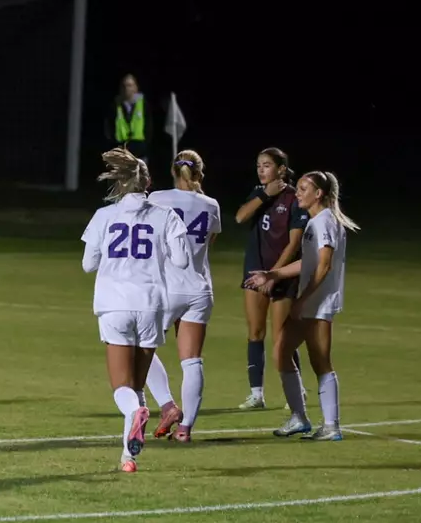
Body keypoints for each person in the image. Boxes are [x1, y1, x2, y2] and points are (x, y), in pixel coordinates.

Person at [80, 147, 191, 473]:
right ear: (148, 183)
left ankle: (135, 423)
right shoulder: (165, 215)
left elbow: (88, 264)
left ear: (120, 183)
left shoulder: (104, 215)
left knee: (122, 389)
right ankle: (128, 458)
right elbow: (182, 260)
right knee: (137, 388)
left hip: (115, 304)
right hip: (151, 305)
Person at [247, 171, 357, 441]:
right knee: (282, 353)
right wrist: (274, 274)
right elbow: (307, 263)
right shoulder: (314, 222)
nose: (298, 192)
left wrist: (303, 299)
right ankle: (299, 418)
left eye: (304, 188)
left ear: (318, 193)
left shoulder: (326, 222)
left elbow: (324, 265)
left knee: (320, 361)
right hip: (309, 302)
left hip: (319, 304)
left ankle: (331, 426)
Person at [145, 150, 221, 441]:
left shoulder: (157, 199)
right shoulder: (211, 204)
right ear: (200, 173)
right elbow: (208, 244)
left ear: (173, 172)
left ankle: (167, 406)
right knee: (192, 361)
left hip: (166, 287)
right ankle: (185, 429)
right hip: (199, 289)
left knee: (141, 347)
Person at [234, 147, 308, 410]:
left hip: (282, 275)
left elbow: (294, 243)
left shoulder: (295, 199)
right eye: (258, 165)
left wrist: (273, 275)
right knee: (255, 332)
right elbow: (240, 216)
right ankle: (256, 394)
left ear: (281, 169)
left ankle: (296, 391)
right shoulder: (260, 194)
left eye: (266, 165)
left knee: (282, 337)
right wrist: (265, 194)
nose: (261, 170)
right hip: (255, 272)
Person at [110, 74, 151, 171]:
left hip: (139, 151)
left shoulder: (143, 104)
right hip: (120, 151)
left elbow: (149, 126)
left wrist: (145, 144)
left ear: (135, 88)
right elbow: (110, 125)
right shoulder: (115, 105)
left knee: (139, 181)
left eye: (129, 85)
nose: (126, 89)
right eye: (124, 86)